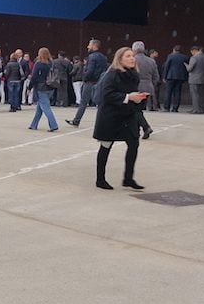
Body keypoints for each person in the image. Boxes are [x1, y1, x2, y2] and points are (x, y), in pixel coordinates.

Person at [94, 47, 149, 191]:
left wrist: (139, 99)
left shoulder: (133, 75)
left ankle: (128, 178)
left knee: (133, 144)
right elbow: (107, 95)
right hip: (110, 116)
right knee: (106, 146)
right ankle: (100, 179)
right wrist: (128, 97)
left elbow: (132, 94)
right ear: (120, 59)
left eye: (132, 56)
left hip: (127, 116)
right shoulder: (111, 75)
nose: (132, 58)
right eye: (128, 56)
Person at [66, 40, 108, 127]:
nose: (88, 47)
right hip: (100, 82)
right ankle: (103, 122)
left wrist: (85, 77)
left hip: (90, 82)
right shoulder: (103, 57)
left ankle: (76, 120)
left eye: (89, 45)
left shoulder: (92, 57)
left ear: (94, 46)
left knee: (83, 102)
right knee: (100, 103)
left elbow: (90, 70)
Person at [28, 48, 60, 132]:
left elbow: (34, 77)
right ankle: (33, 125)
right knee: (40, 107)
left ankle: (53, 125)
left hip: (41, 88)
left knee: (46, 107)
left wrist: (29, 87)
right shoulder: (52, 63)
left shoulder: (38, 64)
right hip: (50, 87)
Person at [132, 42, 157, 138]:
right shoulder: (151, 61)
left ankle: (146, 127)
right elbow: (156, 76)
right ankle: (138, 130)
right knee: (139, 110)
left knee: (135, 110)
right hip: (148, 86)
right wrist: (151, 84)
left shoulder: (133, 60)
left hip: (135, 87)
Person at [162, 45, 190, 112]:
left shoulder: (170, 56)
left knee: (168, 92)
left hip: (171, 76)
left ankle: (166, 107)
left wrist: (164, 76)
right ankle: (175, 108)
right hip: (180, 77)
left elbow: (167, 66)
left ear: (174, 49)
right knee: (177, 92)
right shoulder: (184, 57)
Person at [186, 46, 204, 114]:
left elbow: (189, 69)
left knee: (194, 94)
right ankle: (202, 109)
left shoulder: (194, 58)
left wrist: (186, 65)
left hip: (194, 79)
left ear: (194, 51)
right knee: (202, 95)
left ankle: (196, 109)